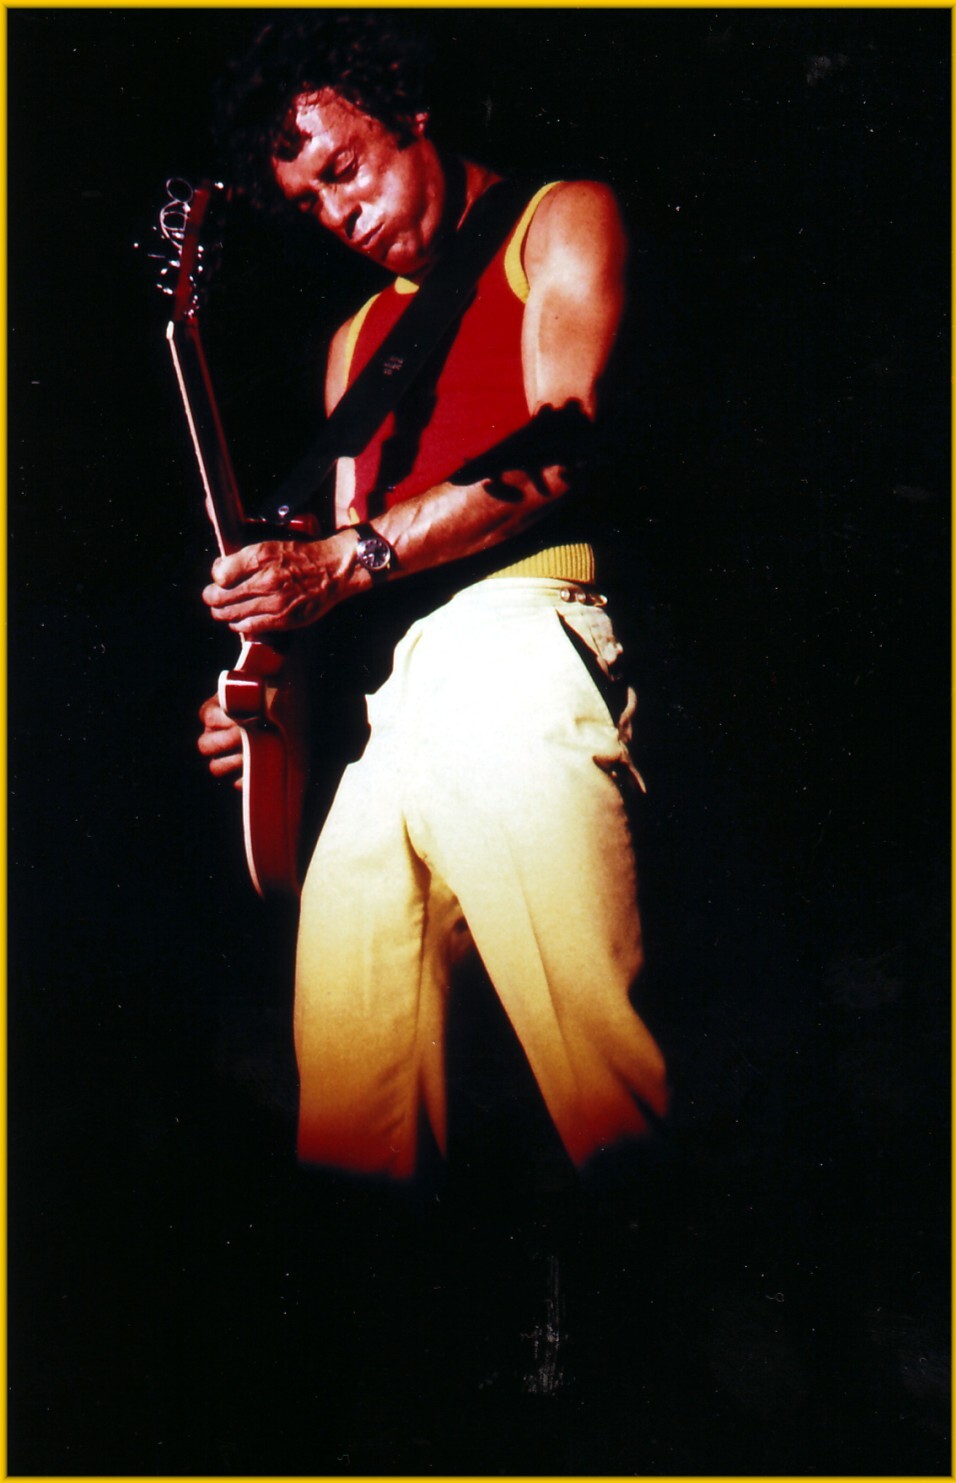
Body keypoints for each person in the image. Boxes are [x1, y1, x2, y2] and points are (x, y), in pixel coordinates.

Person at [197, 14, 668, 1183]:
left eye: (344, 169)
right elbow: (336, 589)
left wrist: (337, 563)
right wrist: (265, 709)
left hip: (520, 645)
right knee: (349, 1117)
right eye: (308, 200)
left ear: (408, 112)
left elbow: (561, 442)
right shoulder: (354, 341)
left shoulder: (556, 216)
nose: (338, 212)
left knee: (598, 1069)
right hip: (386, 706)